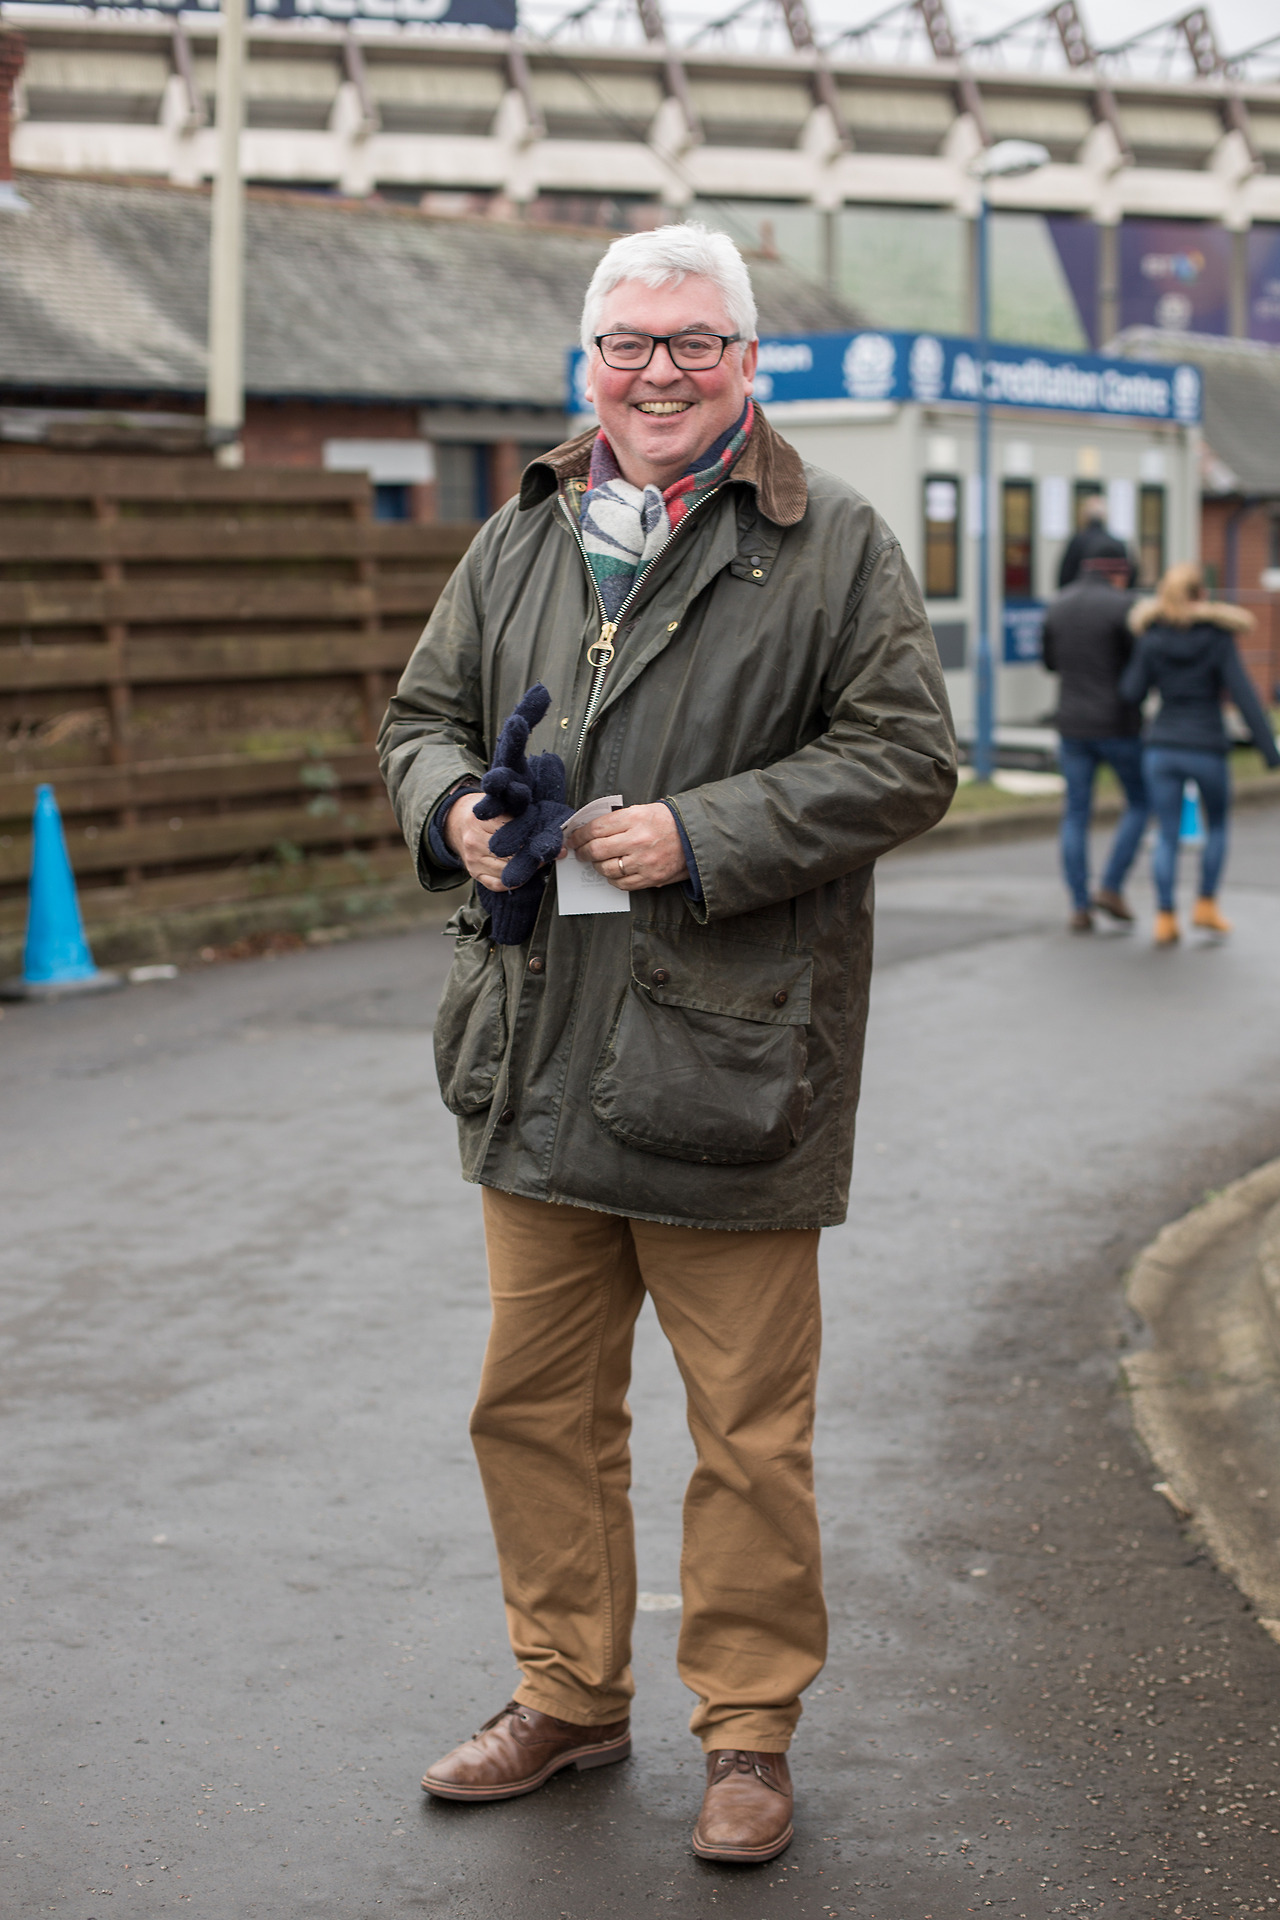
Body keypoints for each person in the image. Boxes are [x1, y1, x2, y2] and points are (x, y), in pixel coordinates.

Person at [378, 223, 956, 1865]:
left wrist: (700, 832)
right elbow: (421, 721)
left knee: (747, 1434)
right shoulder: (522, 530)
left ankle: (748, 1733)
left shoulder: (831, 541)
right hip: (533, 1055)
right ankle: (566, 1696)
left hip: (731, 1066)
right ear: (591, 361)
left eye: (694, 341)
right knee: (532, 1408)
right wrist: (457, 821)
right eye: (628, 342)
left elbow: (908, 758)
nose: (658, 371)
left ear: (745, 360)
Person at [1120, 562, 1279, 947]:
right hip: (1207, 745)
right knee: (1219, 826)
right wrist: (1269, 751)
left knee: (1168, 835)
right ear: (1202, 595)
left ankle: (1164, 916)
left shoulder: (1152, 636)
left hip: (1162, 748)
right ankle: (1206, 904)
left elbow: (1130, 692)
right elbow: (1244, 695)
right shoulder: (1217, 636)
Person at [1041, 556, 1147, 932]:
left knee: (1076, 813)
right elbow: (1140, 665)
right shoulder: (1124, 607)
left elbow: (1050, 662)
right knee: (1139, 801)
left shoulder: (1059, 604)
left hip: (1072, 724)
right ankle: (1112, 885)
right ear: (1117, 571)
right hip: (1119, 724)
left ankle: (1079, 905)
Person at [1057, 492, 1135, 589]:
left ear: (1084, 516)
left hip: (1081, 599)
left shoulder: (1077, 541)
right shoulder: (1118, 543)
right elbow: (1131, 575)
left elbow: (1065, 577)